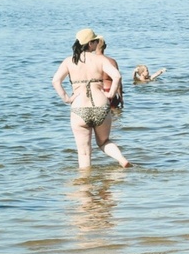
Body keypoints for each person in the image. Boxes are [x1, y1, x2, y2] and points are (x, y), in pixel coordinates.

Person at [52, 29, 131, 168]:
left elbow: (55, 81)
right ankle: (122, 160)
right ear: (90, 44)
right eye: (95, 41)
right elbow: (117, 76)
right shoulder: (100, 59)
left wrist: (67, 99)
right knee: (104, 142)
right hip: (101, 106)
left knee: (84, 153)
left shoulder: (69, 61)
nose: (97, 43)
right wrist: (111, 94)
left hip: (79, 108)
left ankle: (85, 183)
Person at [95, 38, 123, 108]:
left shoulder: (91, 61)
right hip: (110, 91)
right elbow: (118, 82)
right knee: (114, 117)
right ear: (105, 46)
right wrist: (121, 97)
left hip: (97, 91)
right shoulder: (112, 61)